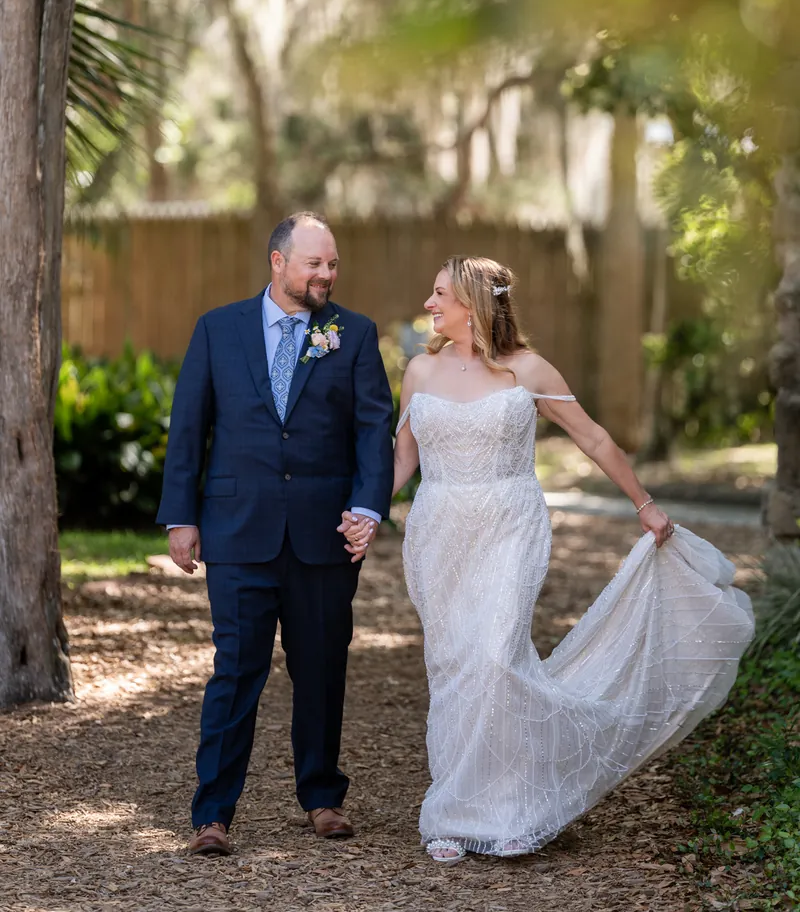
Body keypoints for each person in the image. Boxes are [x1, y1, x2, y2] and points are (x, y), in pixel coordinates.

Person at [394, 255, 755, 865]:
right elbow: (401, 458)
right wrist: (365, 512)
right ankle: (456, 810)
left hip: (510, 525)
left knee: (496, 656)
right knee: (455, 663)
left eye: (439, 295)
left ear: (475, 304)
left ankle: (514, 808)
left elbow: (591, 436)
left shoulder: (528, 369)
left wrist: (644, 504)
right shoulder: (419, 371)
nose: (428, 304)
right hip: (439, 532)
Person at [157, 212, 394, 856]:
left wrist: (368, 508)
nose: (327, 275)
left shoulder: (353, 334)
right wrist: (181, 517)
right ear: (278, 261)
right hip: (237, 531)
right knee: (235, 671)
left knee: (321, 670)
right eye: (315, 263)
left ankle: (322, 798)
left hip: (324, 537)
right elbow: (189, 428)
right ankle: (213, 813)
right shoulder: (218, 329)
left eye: (334, 264)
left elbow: (375, 429)